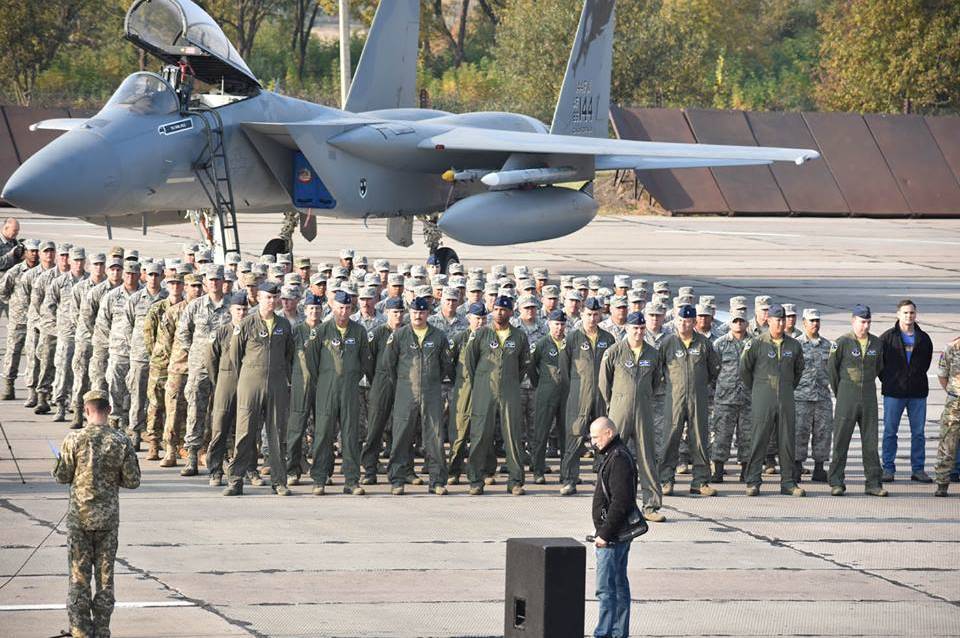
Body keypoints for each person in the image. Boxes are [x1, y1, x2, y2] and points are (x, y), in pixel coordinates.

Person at [53, 389, 141, 638]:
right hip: (108, 521)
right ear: (109, 410)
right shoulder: (120, 441)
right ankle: (101, 629)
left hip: (79, 519)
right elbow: (133, 480)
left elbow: (62, 477)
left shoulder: (74, 439)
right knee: (105, 579)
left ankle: (80, 629)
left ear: (86, 410)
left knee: (79, 578)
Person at [224, 282, 295, 496]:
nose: (271, 302)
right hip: (250, 383)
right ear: (259, 299)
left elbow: (288, 355)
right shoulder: (246, 323)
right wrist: (249, 375)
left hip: (276, 384)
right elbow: (235, 356)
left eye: (275, 298)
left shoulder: (284, 324)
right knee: (244, 433)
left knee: (276, 433)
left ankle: (279, 482)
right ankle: (235, 480)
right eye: (267, 298)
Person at [379, 296, 453, 495]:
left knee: (434, 437)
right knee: (402, 435)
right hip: (406, 392)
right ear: (409, 313)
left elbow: (446, 365)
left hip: (431, 393)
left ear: (428, 313)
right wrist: (403, 383)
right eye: (414, 312)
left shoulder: (438, 336)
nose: (418, 315)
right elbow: (388, 365)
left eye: (421, 312)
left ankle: (437, 481)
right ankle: (397, 479)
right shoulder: (400, 335)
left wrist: (431, 381)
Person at [305, 289, 373, 495]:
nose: (344, 312)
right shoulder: (322, 330)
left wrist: (350, 376)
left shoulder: (359, 331)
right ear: (333, 307)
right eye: (340, 308)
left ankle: (352, 480)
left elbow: (364, 360)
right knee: (323, 433)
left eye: (348, 308)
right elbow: (312, 360)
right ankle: (319, 479)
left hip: (350, 389)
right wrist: (326, 379)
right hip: (327, 388)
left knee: (351, 435)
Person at [462, 295, 531, 495]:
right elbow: (470, 361)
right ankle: (476, 480)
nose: (500, 313)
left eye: (504, 310)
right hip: (484, 389)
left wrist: (508, 380)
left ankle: (516, 480)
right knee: (480, 434)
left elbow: (523, 365)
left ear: (511, 312)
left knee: (513, 435)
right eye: (497, 309)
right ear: (492, 311)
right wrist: (483, 381)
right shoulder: (481, 334)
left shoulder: (519, 336)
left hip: (509, 391)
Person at [598, 311, 664, 522]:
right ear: (627, 328)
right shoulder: (614, 352)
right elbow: (603, 383)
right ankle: (607, 504)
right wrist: (614, 404)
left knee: (647, 458)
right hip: (619, 412)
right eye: (635, 328)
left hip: (643, 412)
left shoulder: (653, 354)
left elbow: (656, 382)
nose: (638, 332)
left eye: (642, 329)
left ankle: (651, 505)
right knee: (614, 459)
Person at [740, 304, 806, 497]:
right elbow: (745, 370)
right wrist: (759, 389)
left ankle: (788, 482)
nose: (780, 323)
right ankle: (753, 481)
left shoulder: (794, 345)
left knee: (787, 440)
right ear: (768, 321)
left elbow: (798, 370)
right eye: (777, 320)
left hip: (785, 398)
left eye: (783, 320)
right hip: (763, 397)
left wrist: (786, 388)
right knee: (759, 439)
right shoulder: (757, 343)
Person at [656, 304, 720, 496]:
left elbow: (713, 369)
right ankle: (666, 480)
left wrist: (699, 386)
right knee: (670, 438)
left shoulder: (703, 344)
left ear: (694, 322)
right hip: (674, 399)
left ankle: (700, 481)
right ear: (676, 321)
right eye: (680, 320)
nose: (683, 324)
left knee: (700, 439)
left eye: (688, 321)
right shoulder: (668, 343)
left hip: (697, 399)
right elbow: (659, 370)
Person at [828, 304, 887, 497]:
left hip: (869, 394)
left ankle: (873, 483)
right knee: (840, 441)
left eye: (869, 322)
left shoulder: (877, 344)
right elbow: (832, 371)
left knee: (870, 441)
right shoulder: (842, 342)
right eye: (862, 322)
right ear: (853, 321)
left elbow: (879, 367)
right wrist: (842, 392)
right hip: (847, 393)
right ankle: (836, 482)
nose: (866, 326)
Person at [560, 298, 614, 495]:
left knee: (604, 439)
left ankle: (604, 480)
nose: (592, 318)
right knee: (574, 436)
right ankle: (569, 479)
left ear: (600, 315)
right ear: (582, 314)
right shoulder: (573, 338)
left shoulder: (608, 339)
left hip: (601, 394)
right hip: (579, 394)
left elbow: (612, 368)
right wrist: (575, 388)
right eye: (589, 314)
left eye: (596, 314)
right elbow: (564, 368)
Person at [589, 416, 636, 638]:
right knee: (617, 586)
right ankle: (617, 633)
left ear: (609, 433)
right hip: (614, 534)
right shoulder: (614, 454)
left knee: (606, 589)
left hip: (612, 537)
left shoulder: (618, 458)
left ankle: (604, 634)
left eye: (596, 437)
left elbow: (621, 501)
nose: (593, 442)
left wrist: (604, 534)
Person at [878, 299, 934, 483]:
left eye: (911, 313)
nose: (909, 316)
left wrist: (914, 379)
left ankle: (918, 469)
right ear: (898, 314)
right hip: (894, 393)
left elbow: (925, 363)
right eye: (905, 313)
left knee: (918, 433)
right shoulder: (887, 338)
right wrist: (890, 381)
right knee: (890, 432)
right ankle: (888, 468)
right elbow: (880, 365)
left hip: (917, 393)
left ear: (915, 314)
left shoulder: (924, 338)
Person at [205, 292, 249, 485]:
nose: (241, 312)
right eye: (238, 309)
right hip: (226, 381)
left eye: (245, 309)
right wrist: (219, 382)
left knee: (246, 428)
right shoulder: (222, 331)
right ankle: (215, 470)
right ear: (231, 310)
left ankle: (245, 469)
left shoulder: (252, 330)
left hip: (247, 383)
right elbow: (210, 359)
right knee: (220, 427)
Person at [709, 307, 752, 483]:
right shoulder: (719, 344)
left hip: (748, 399)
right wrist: (720, 387)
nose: (738, 324)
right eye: (735, 321)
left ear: (747, 323)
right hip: (725, 398)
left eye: (741, 320)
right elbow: (712, 370)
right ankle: (718, 469)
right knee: (721, 435)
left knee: (747, 436)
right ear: (730, 323)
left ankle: (746, 470)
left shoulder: (754, 343)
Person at [528, 309, 569, 484]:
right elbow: (531, 366)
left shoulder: (570, 343)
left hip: (566, 393)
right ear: (549, 324)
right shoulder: (542, 343)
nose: (559, 328)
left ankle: (566, 472)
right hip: (546, 393)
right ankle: (538, 471)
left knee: (566, 434)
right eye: (556, 324)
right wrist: (540, 384)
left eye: (562, 324)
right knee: (541, 432)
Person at [794, 308, 833, 483]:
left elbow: (834, 371)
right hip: (801, 397)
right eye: (811, 320)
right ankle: (796, 468)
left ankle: (819, 468)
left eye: (817, 320)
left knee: (823, 433)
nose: (815, 324)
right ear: (804, 322)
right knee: (799, 432)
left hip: (822, 397)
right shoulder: (796, 345)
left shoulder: (828, 345)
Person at [933, 336, 960, 497]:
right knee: (947, 443)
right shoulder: (952, 347)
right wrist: (953, 393)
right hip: (955, 403)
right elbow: (942, 374)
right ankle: (942, 483)